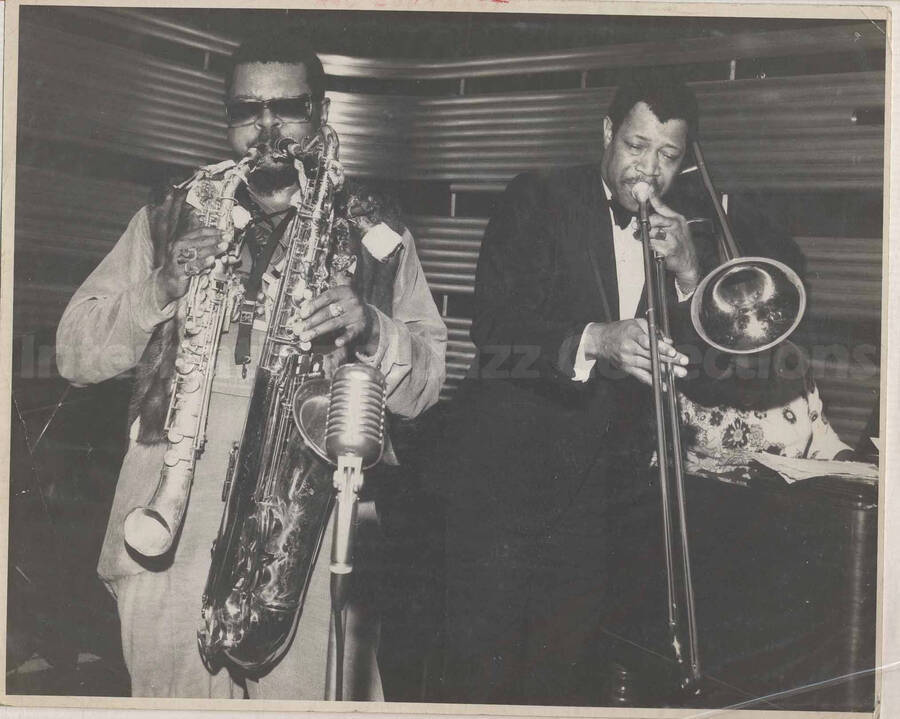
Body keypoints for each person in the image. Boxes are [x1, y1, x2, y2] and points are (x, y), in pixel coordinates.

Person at [56, 31, 446, 700]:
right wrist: (160, 287)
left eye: (288, 108)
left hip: (313, 529)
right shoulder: (168, 215)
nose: (268, 131)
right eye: (247, 110)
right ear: (225, 118)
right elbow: (74, 354)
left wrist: (370, 326)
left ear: (322, 115)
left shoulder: (376, 231)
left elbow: (429, 380)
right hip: (172, 530)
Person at [435, 73, 713, 706]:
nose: (649, 169)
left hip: (597, 510)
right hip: (504, 493)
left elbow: (703, 370)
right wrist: (597, 338)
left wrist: (690, 272)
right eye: (637, 146)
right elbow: (495, 328)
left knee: (561, 683)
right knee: (481, 681)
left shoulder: (679, 236)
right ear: (607, 135)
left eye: (667, 156)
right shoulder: (538, 197)